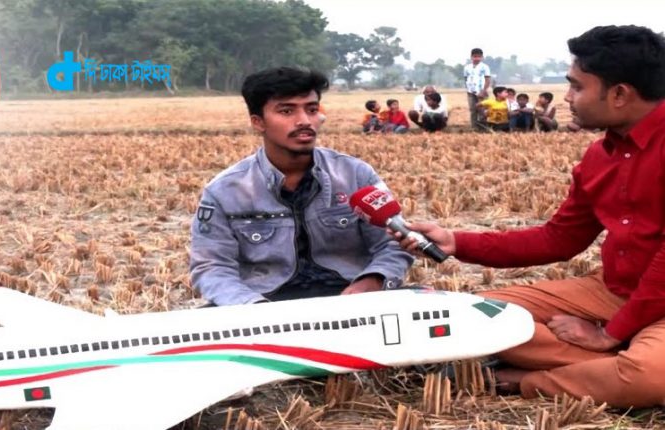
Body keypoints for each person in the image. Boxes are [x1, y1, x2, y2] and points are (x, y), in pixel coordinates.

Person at [392, 25, 665, 408]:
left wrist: (610, 333)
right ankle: (609, 367)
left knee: (648, 376)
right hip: (613, 292)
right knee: (472, 316)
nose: (567, 98)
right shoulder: (598, 158)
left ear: (619, 94)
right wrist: (457, 242)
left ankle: (526, 380)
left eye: (576, 87)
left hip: (657, 302)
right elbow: (560, 239)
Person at [190, 67, 413, 306]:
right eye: (286, 111)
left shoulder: (357, 175)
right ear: (258, 122)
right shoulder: (224, 191)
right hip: (263, 305)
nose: (304, 121)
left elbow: (392, 244)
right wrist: (253, 308)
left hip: (349, 302)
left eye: (312, 109)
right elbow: (211, 267)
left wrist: (372, 281)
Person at [464, 48, 492, 130]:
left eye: (479, 57)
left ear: (482, 57)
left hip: (481, 91)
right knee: (473, 110)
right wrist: (467, 89)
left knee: (482, 110)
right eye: (475, 56)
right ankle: (474, 127)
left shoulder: (485, 67)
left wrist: (484, 90)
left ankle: (483, 127)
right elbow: (466, 79)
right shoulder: (467, 67)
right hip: (470, 92)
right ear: (471, 57)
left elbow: (487, 79)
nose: (477, 58)